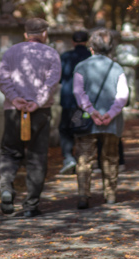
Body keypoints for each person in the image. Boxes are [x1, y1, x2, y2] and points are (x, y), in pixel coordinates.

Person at [0, 18, 61, 218]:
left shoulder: (11, 52)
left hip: (14, 110)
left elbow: (3, 79)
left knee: (10, 151)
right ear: (44, 34)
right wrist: (37, 102)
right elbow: (51, 82)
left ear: (25, 34)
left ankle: (6, 187)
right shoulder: (51, 54)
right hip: (40, 111)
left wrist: (15, 99)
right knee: (37, 155)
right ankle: (31, 205)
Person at [73, 28, 129, 209]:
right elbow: (123, 95)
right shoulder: (117, 68)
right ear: (110, 47)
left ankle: (83, 196)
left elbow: (78, 92)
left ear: (91, 47)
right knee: (110, 157)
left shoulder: (81, 67)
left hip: (87, 120)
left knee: (84, 158)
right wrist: (110, 114)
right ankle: (110, 194)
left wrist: (91, 111)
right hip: (112, 121)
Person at [58, 30, 92, 175]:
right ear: (87, 42)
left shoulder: (66, 57)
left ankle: (69, 158)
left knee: (66, 129)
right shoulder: (91, 57)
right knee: (83, 128)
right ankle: (84, 159)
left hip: (69, 100)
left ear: (72, 42)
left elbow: (59, 78)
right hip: (86, 102)